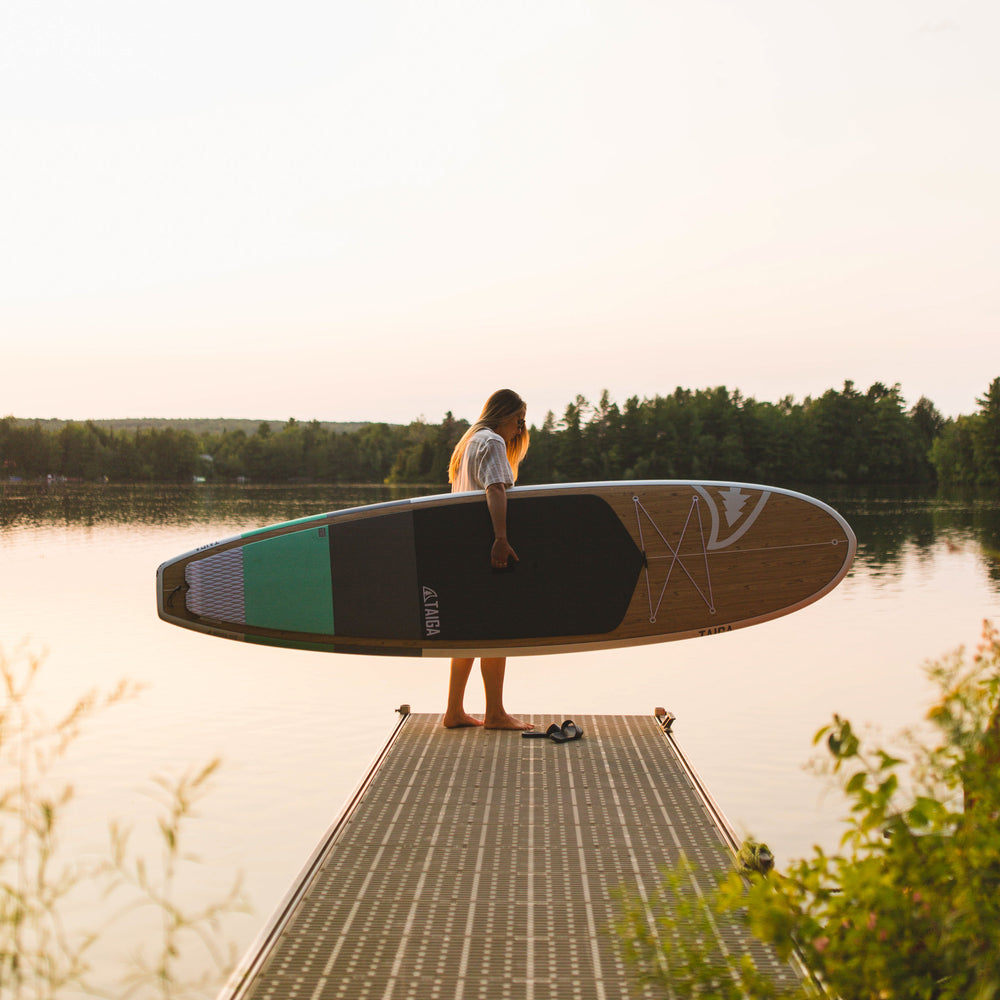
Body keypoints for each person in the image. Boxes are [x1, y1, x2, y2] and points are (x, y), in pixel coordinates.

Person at [442, 389, 534, 731]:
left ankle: (454, 711)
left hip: (463, 550)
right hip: (484, 546)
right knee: (496, 630)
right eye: (519, 420)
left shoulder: (468, 442)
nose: (520, 430)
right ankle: (494, 713)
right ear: (504, 414)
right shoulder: (492, 441)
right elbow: (495, 489)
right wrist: (500, 539)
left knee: (468, 633)